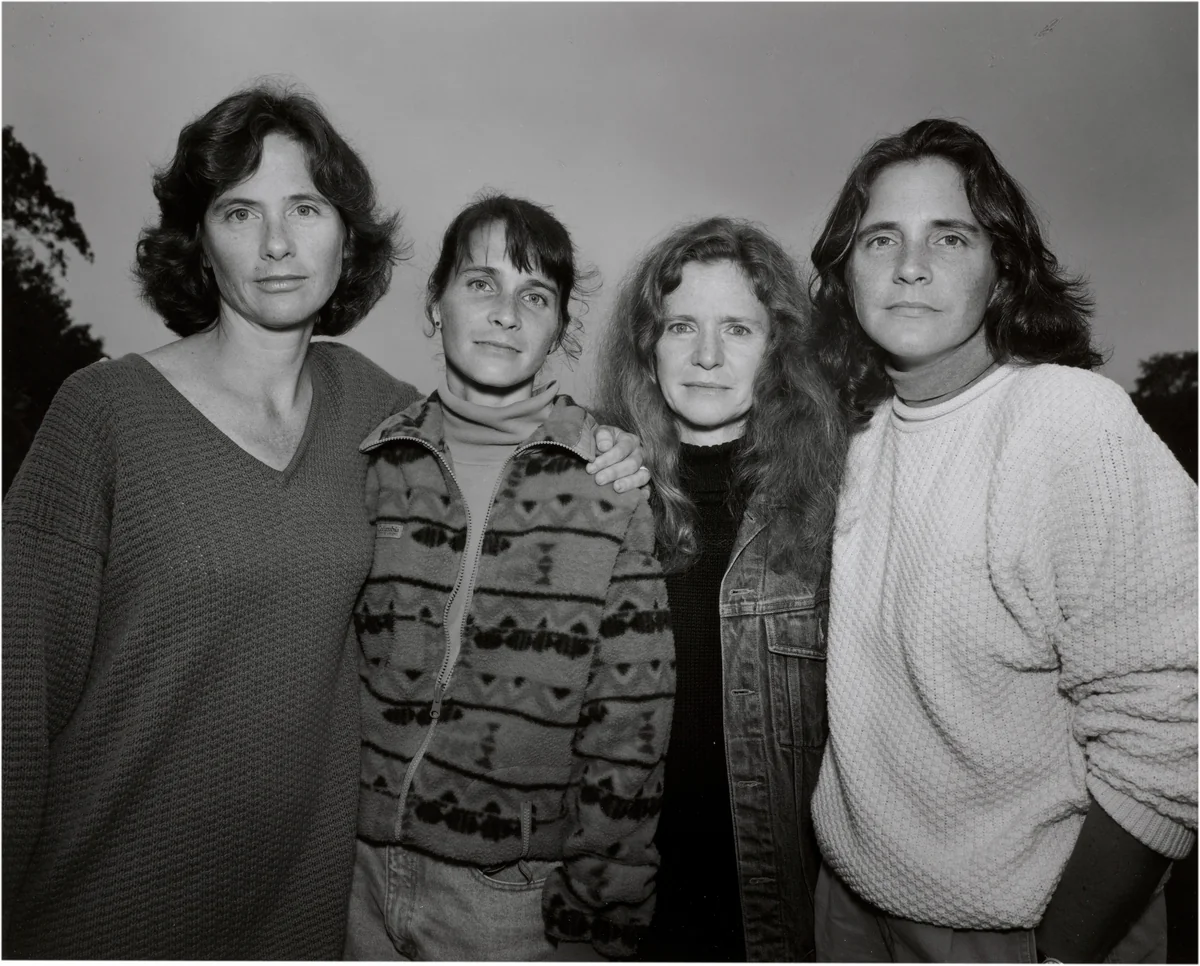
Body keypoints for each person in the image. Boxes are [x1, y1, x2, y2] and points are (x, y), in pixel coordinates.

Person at [1, 87, 647, 959]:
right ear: (200, 240)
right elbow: (14, 696)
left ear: (346, 238)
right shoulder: (104, 413)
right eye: (240, 211)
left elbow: (511, 429)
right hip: (102, 909)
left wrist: (609, 448)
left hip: (304, 923)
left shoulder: (380, 417)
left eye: (305, 208)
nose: (276, 244)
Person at [808, 118, 1197, 963]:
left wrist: (1064, 949)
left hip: (1025, 928)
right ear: (846, 272)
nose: (910, 266)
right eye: (881, 238)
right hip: (848, 907)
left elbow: (1174, 734)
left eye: (950, 236)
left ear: (1004, 269)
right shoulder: (858, 442)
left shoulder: (1065, 420)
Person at [343, 193, 675, 961]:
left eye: (535, 296)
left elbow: (632, 727)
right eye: (480, 284)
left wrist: (600, 926)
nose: (505, 313)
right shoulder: (379, 463)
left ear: (560, 326)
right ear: (434, 304)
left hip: (510, 900)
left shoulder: (606, 483)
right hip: (350, 874)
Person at [595, 217, 848, 961]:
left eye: (738, 328)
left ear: (779, 349)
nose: (707, 356)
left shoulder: (840, 508)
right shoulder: (598, 497)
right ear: (649, 344)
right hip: (626, 919)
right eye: (681, 327)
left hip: (781, 919)